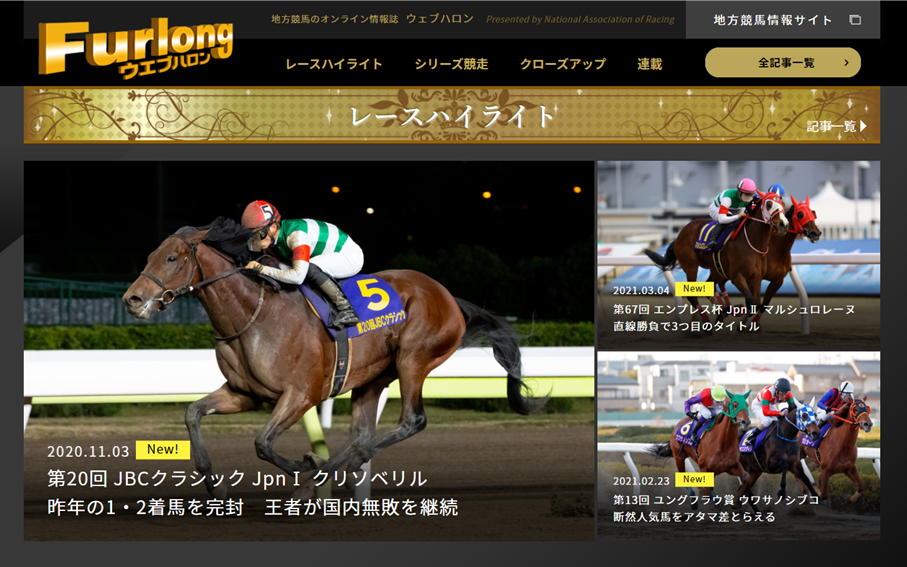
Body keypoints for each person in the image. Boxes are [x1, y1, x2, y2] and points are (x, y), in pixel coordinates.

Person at [240, 200, 363, 329]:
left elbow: (297, 277)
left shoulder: (296, 236)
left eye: (257, 234)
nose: (255, 241)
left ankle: (346, 309)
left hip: (349, 255)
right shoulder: (271, 239)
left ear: (273, 227)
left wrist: (262, 269)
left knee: (309, 268)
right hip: (324, 255)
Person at [742, 377, 797, 446]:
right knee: (767, 421)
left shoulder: (787, 393)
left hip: (769, 405)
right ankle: (750, 437)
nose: (784, 396)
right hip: (758, 405)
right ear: (776, 391)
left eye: (785, 393)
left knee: (780, 419)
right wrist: (780, 413)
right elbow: (765, 412)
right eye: (782, 393)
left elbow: (792, 407)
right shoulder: (767, 393)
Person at [707, 178, 757, 248]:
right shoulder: (727, 198)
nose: (749, 199)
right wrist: (737, 216)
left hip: (737, 208)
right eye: (746, 195)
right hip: (717, 208)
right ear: (739, 192)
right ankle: (713, 239)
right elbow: (722, 220)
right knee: (728, 217)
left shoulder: (752, 196)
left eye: (751, 195)